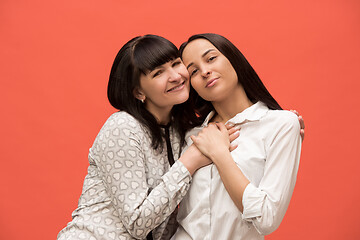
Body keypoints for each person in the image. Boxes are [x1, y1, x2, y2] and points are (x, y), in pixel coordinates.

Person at [57, 35, 219, 240]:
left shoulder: (178, 129)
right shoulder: (123, 127)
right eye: (158, 73)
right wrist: (189, 162)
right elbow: (137, 222)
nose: (176, 76)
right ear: (139, 92)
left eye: (175, 63)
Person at [172, 33, 303, 240]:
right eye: (194, 71)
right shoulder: (189, 135)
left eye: (211, 58)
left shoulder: (281, 125)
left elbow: (266, 219)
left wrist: (219, 154)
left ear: (233, 58)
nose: (205, 71)